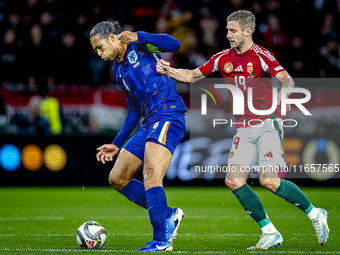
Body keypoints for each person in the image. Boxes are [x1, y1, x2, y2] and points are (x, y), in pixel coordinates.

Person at [156, 10, 330, 250]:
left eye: (233, 30)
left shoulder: (261, 55)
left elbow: (286, 80)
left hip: (267, 123)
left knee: (269, 180)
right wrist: (169, 71)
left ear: (248, 32)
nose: (228, 35)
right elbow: (193, 75)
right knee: (234, 181)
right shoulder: (221, 58)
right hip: (243, 128)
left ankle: (315, 214)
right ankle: (269, 232)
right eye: (227, 30)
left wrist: (282, 99)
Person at [90, 21, 186, 252]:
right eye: (96, 51)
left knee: (151, 176)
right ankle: (169, 215)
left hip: (168, 113)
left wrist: (139, 35)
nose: (99, 54)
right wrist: (116, 144)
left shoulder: (140, 45)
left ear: (112, 37)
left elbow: (175, 44)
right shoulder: (118, 70)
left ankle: (162, 241)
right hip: (149, 122)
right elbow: (134, 110)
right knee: (118, 177)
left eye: (100, 47)